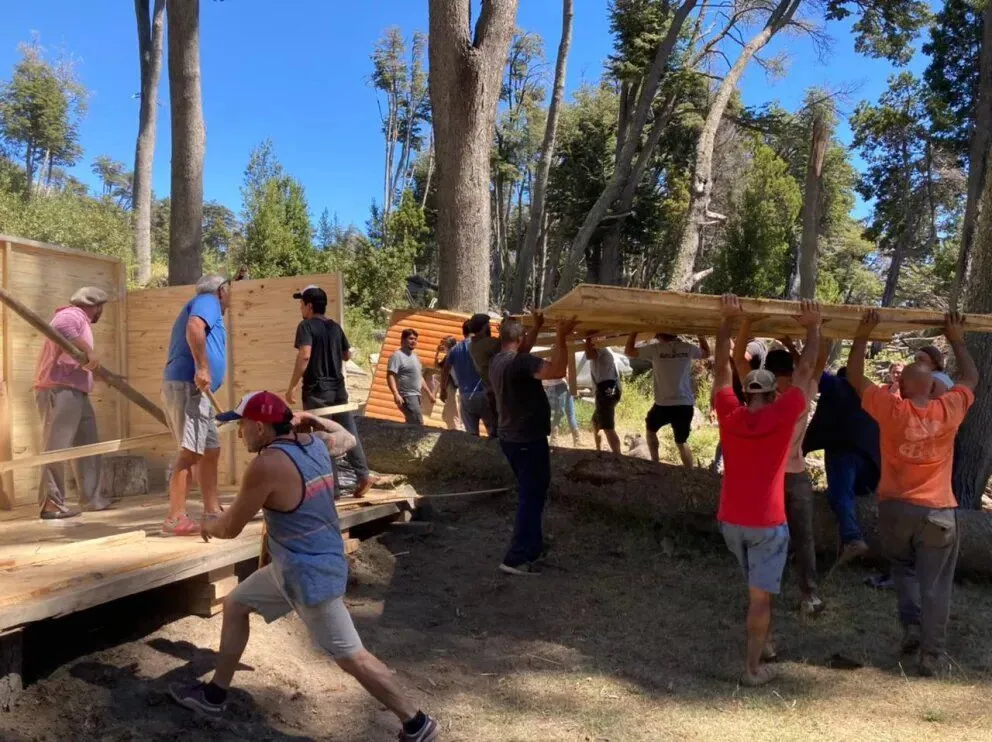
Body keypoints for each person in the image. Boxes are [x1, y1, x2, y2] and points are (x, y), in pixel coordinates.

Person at [168, 392, 438, 740]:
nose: (240, 433)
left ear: (262, 428)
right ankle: (214, 696)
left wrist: (205, 524)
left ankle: (415, 722)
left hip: (308, 575)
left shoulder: (267, 465)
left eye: (244, 425)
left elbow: (230, 527)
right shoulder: (314, 444)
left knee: (352, 656)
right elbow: (348, 437)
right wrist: (311, 418)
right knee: (236, 604)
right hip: (298, 564)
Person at [846, 310, 978, 677]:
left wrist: (864, 332)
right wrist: (956, 337)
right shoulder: (949, 409)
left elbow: (855, 376)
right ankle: (930, 655)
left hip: (895, 509)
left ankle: (912, 628)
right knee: (936, 583)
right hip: (937, 511)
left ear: (902, 387)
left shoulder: (891, 409)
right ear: (934, 385)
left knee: (903, 569)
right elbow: (971, 376)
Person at [713, 294, 822, 686]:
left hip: (730, 521)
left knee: (755, 588)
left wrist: (727, 321)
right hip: (766, 525)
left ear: (747, 392)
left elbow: (721, 371)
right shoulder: (783, 414)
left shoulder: (728, 413)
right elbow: (808, 367)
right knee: (761, 598)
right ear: (775, 392)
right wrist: (813, 326)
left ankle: (767, 643)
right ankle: (752, 669)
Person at [746, 336, 830, 616]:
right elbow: (817, 365)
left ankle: (762, 591)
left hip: (767, 478)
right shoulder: (801, 393)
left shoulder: (760, 398)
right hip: (795, 473)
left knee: (766, 537)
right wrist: (819, 333)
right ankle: (809, 594)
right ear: (791, 372)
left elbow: (737, 364)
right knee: (803, 537)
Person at [490, 317, 576, 576]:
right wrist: (561, 336)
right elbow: (557, 371)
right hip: (526, 439)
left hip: (511, 438)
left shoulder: (500, 360)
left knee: (533, 492)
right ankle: (516, 558)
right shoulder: (521, 362)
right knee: (531, 496)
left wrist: (536, 328)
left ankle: (533, 547)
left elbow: (523, 350)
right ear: (520, 338)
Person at [285, 285, 375, 498]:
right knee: (348, 433)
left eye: (301, 304)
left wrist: (292, 385)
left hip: (317, 392)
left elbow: (304, 355)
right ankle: (363, 475)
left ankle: (331, 490)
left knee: (322, 438)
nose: (300, 308)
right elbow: (347, 355)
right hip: (338, 390)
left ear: (309, 305)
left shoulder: (306, 326)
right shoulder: (334, 327)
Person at [33, 287, 111, 520]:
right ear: (93, 305)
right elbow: (59, 328)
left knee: (89, 444)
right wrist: (89, 351)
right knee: (56, 447)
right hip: (58, 388)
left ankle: (91, 499)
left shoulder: (82, 321)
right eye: (100, 307)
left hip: (75, 390)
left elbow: (72, 356)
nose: (100, 312)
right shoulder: (73, 314)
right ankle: (51, 503)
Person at [161, 275, 230, 536]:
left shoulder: (208, 305)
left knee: (210, 449)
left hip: (198, 393)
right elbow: (194, 326)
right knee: (190, 452)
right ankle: (174, 518)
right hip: (189, 387)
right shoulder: (207, 300)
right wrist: (202, 367)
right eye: (229, 290)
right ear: (222, 290)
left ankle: (212, 510)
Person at [803, 366, 881, 568]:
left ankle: (852, 538)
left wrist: (796, 352)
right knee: (849, 493)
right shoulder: (870, 395)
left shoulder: (838, 385)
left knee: (839, 494)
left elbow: (817, 372)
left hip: (843, 451)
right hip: (870, 457)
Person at [625, 331, 711, 467]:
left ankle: (655, 463)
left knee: (651, 429)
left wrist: (633, 332)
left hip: (663, 404)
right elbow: (706, 353)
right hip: (684, 404)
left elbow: (629, 351)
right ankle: (690, 472)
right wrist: (701, 335)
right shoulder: (687, 348)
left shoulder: (655, 349)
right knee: (681, 442)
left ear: (659, 336)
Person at [711, 338, 766, 473]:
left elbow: (741, 357)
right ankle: (721, 466)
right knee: (728, 433)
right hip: (739, 398)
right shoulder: (746, 346)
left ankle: (734, 466)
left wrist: (727, 345)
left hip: (748, 401)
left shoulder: (755, 345)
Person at [445, 320, 495, 436]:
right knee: (493, 431)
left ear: (464, 332)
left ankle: (473, 453)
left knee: (471, 435)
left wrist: (443, 389)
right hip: (485, 394)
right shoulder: (483, 346)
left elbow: (445, 369)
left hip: (466, 397)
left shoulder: (455, 350)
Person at [387, 328, 435, 425]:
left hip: (416, 395)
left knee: (411, 423)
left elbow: (420, 377)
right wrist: (396, 394)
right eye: (411, 339)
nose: (414, 341)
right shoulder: (397, 356)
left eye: (415, 339)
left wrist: (429, 394)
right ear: (403, 340)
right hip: (406, 396)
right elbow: (390, 375)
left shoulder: (415, 357)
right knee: (417, 423)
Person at [585, 336, 622, 454]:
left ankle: (618, 456)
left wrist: (587, 340)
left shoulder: (602, 350)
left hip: (606, 391)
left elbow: (589, 355)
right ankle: (598, 451)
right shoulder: (605, 349)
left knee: (608, 428)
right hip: (608, 390)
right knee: (596, 421)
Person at [434, 333, 461, 431]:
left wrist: (443, 389)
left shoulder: (453, 354)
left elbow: (445, 371)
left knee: (452, 414)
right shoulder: (448, 355)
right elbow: (437, 366)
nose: (442, 345)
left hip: (454, 387)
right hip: (452, 387)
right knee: (447, 414)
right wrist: (437, 353)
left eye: (443, 343)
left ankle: (456, 433)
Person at [543, 377, 581, 447]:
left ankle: (554, 440)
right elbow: (566, 373)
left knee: (561, 413)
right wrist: (572, 386)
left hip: (555, 386)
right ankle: (576, 440)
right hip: (561, 386)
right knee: (566, 413)